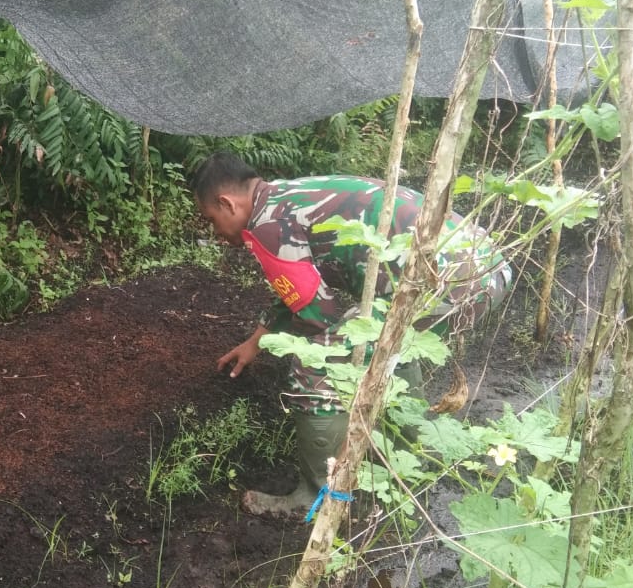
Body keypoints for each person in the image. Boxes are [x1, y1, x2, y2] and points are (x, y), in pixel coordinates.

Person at [191, 152, 511, 516]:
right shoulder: (287, 195)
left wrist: (304, 349)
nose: (215, 233)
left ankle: (318, 497)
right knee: (386, 341)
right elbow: (303, 289)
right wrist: (256, 341)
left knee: (313, 364)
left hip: (450, 282)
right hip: (484, 266)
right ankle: (404, 455)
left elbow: (318, 315)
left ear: (226, 203)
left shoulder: (266, 226)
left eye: (211, 220)